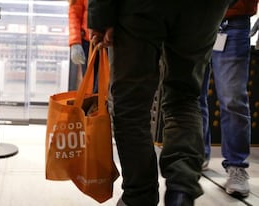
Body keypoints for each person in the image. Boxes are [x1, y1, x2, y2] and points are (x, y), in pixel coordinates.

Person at [87, 0, 230, 205]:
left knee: (131, 105)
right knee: (184, 98)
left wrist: (100, 18)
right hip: (204, 8)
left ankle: (139, 196)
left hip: (140, 7)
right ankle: (181, 190)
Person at [200, 0, 257, 198]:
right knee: (190, 96)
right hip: (192, 20)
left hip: (232, 19)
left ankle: (236, 165)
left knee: (233, 97)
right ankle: (197, 154)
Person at [68, 0, 99, 92]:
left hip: (113, 40)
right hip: (89, 41)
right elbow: (74, 12)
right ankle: (95, 105)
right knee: (92, 85)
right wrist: (75, 42)